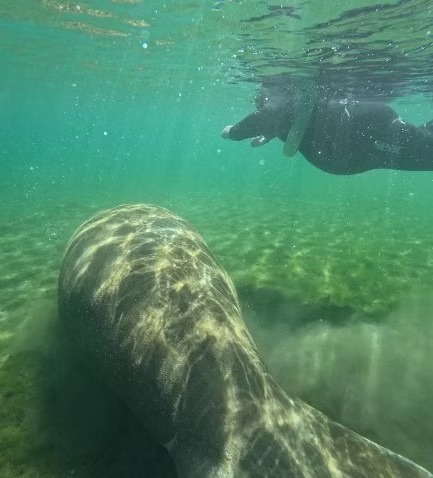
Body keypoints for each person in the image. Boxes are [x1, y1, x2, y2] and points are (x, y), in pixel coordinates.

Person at [221, 76, 433, 175]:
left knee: (424, 151)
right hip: (350, 140)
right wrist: (269, 133)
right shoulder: (286, 102)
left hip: (354, 137)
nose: (258, 102)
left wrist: (232, 133)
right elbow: (279, 118)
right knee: (423, 149)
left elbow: (266, 115)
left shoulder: (278, 88)